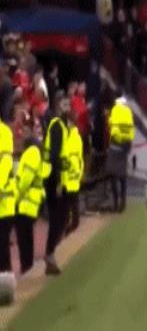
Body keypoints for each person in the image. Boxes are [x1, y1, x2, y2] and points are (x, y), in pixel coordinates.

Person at [15, 118, 50, 274]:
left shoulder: (31, 153)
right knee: (26, 235)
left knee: (24, 236)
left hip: (27, 202)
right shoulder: (34, 153)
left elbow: (25, 180)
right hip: (31, 201)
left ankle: (26, 266)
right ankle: (27, 265)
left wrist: (16, 197)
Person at [42, 92, 70, 275]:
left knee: (60, 217)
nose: (68, 107)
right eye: (65, 103)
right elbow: (55, 156)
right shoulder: (58, 126)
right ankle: (49, 253)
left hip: (54, 178)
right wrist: (58, 181)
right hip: (54, 179)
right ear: (58, 104)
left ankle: (50, 253)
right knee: (58, 218)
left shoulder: (60, 124)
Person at [106, 92, 135, 212]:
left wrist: (108, 118)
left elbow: (111, 124)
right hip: (126, 144)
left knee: (112, 173)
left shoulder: (115, 109)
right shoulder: (128, 111)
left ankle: (115, 202)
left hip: (115, 143)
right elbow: (131, 127)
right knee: (122, 175)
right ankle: (123, 202)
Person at [0, 112, 16, 301]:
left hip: (4, 204)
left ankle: (6, 290)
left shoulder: (3, 132)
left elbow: (5, 162)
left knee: (2, 245)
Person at [64, 115, 84, 235]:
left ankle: (72, 223)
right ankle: (73, 222)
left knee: (70, 201)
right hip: (75, 171)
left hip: (71, 171)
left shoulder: (72, 137)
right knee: (73, 201)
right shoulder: (75, 136)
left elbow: (69, 155)